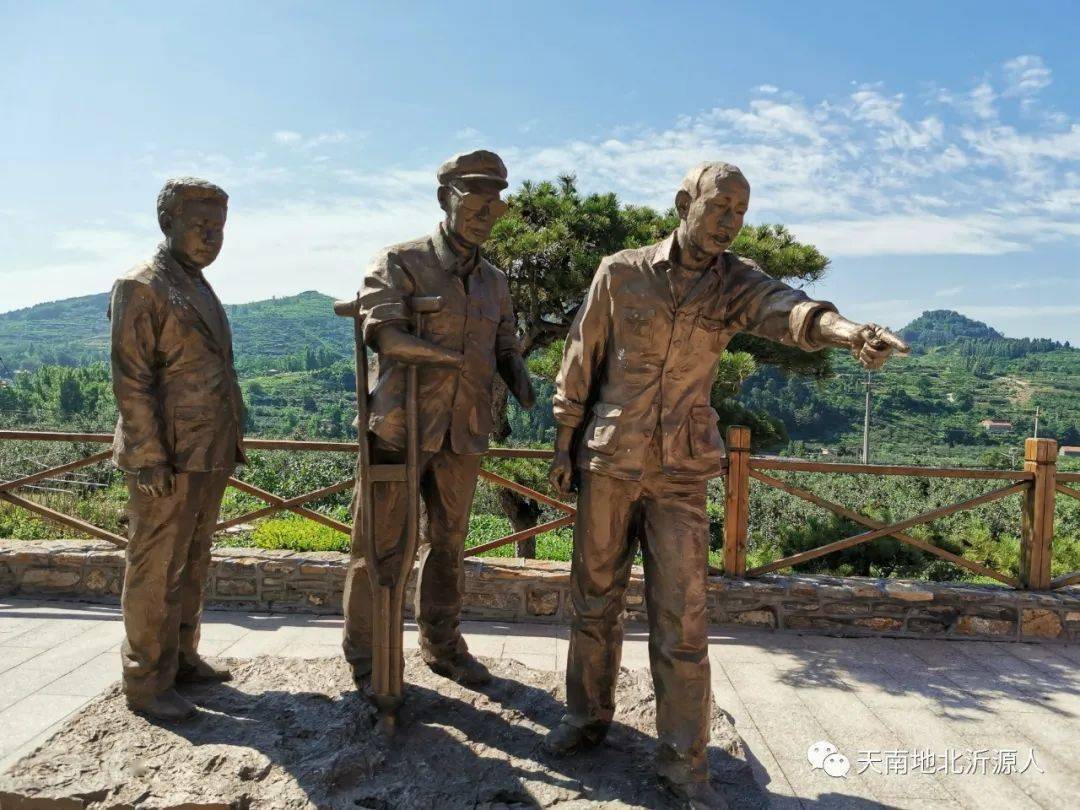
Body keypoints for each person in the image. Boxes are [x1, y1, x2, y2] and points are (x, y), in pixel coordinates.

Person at [543, 161, 908, 808]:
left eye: (741, 211)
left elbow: (790, 310)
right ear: (685, 202)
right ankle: (586, 718)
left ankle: (684, 765)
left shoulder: (735, 283)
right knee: (593, 602)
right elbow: (579, 361)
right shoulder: (620, 272)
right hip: (608, 460)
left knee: (683, 620)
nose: (731, 222)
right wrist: (561, 446)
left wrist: (852, 333)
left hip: (680, 473)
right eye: (720, 207)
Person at [343, 149, 535, 686]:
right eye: (475, 194)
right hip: (401, 428)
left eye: (495, 199)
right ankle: (368, 656)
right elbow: (383, 334)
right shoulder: (400, 261)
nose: (487, 208)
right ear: (444, 197)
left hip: (463, 429)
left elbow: (503, 343)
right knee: (381, 545)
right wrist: (450, 359)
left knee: (450, 545)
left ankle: (442, 644)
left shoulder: (495, 282)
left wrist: (521, 380)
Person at [110, 177, 244, 721]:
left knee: (191, 561)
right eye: (200, 225)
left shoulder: (196, 283)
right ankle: (145, 681)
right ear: (167, 223)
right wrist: (147, 456)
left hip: (207, 448)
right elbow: (131, 379)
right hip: (164, 454)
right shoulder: (141, 284)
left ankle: (183, 657)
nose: (211, 237)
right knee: (154, 568)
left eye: (219, 227)